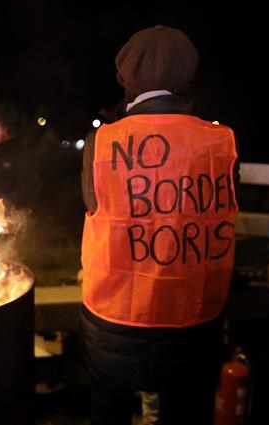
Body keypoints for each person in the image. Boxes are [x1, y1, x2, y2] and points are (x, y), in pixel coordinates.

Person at [79, 25, 240, 425]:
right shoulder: (220, 141)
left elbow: (95, 204)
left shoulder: (103, 141)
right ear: (187, 76)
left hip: (114, 316)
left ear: (125, 78)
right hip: (194, 318)